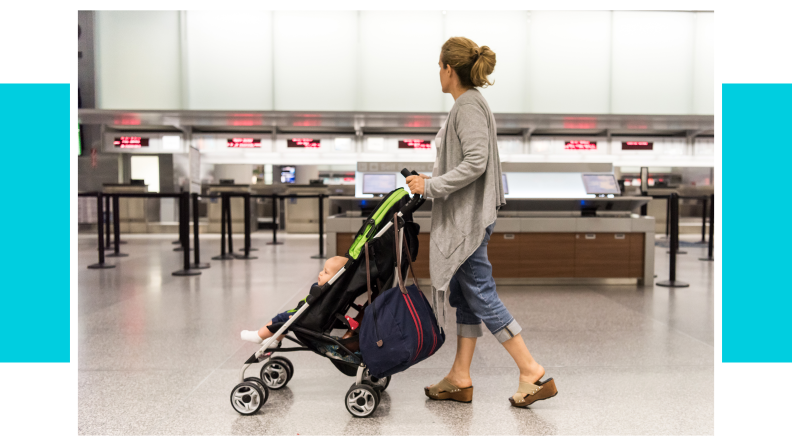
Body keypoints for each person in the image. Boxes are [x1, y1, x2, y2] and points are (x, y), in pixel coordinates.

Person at [406, 37, 558, 408]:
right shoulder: (467, 104)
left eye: (438, 65)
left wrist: (430, 186)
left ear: (448, 68)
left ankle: (531, 371)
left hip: (467, 222)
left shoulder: (468, 105)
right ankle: (460, 377)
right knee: (468, 298)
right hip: (467, 218)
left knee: (481, 293)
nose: (436, 73)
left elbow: (476, 162)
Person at [240, 256, 359, 360]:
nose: (320, 273)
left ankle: (259, 336)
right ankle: (275, 340)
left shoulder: (326, 293)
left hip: (310, 319)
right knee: (287, 320)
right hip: (314, 316)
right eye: (322, 270)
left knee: (282, 318)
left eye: (326, 273)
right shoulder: (334, 293)